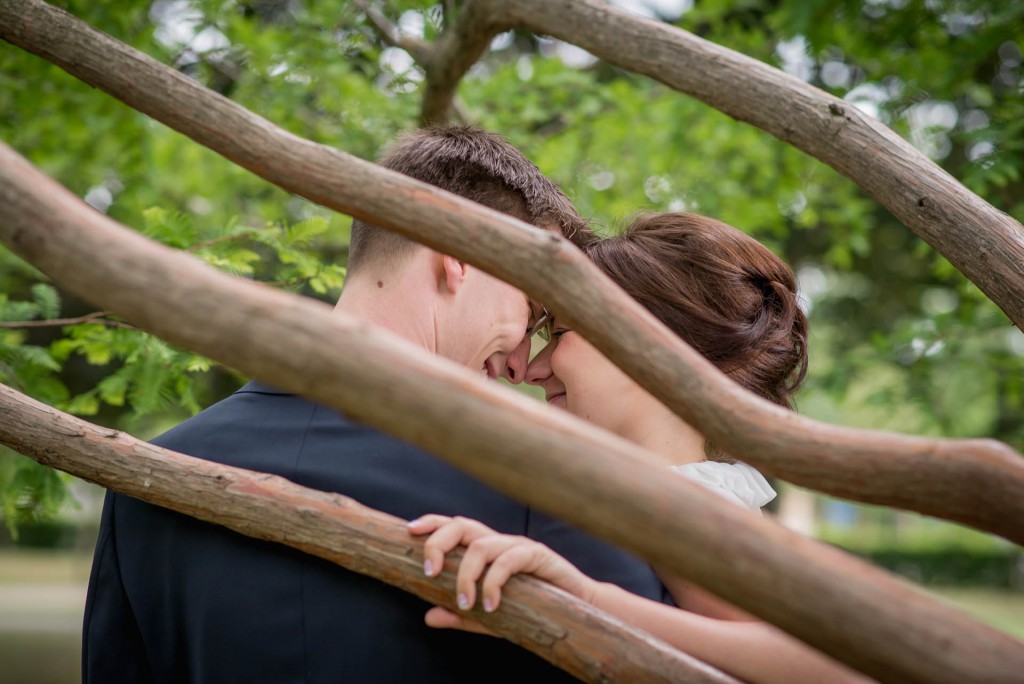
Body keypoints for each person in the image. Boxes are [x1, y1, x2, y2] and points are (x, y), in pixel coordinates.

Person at [82, 126, 670, 684]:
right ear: (461, 256)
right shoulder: (548, 479)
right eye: (533, 308)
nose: (521, 358)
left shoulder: (147, 477)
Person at [409, 212, 873, 683]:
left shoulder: (680, 501)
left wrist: (586, 603)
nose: (533, 368)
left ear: (657, 346)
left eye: (563, 334)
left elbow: (828, 665)